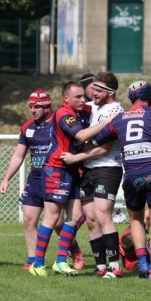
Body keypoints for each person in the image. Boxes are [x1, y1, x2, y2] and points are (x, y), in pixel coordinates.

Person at [91, 80, 151, 279]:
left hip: (131, 175)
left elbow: (96, 139)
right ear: (150, 96)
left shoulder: (119, 118)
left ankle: (143, 263)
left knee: (136, 219)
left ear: (130, 97)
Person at [28, 81, 112, 277]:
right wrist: (108, 121)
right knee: (52, 217)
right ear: (66, 99)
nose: (84, 99)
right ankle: (37, 264)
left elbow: (96, 107)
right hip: (56, 167)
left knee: (74, 217)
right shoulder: (63, 114)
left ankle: (60, 262)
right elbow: (82, 135)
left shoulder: (81, 111)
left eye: (84, 96)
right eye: (79, 97)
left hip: (72, 168)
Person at [74, 72, 125, 277]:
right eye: (92, 88)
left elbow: (104, 148)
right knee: (91, 218)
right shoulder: (92, 107)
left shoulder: (116, 111)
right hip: (88, 169)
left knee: (103, 213)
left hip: (107, 168)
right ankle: (101, 267)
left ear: (110, 93)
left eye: (98, 89)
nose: (92, 92)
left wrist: (76, 156)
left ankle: (115, 267)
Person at [0, 89, 56, 269]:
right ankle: (33, 259)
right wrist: (6, 178)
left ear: (47, 106)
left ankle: (72, 250)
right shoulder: (27, 127)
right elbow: (18, 155)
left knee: (58, 223)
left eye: (37, 106)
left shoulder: (59, 123)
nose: (33, 110)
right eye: (30, 106)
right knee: (29, 219)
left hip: (54, 177)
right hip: (35, 179)